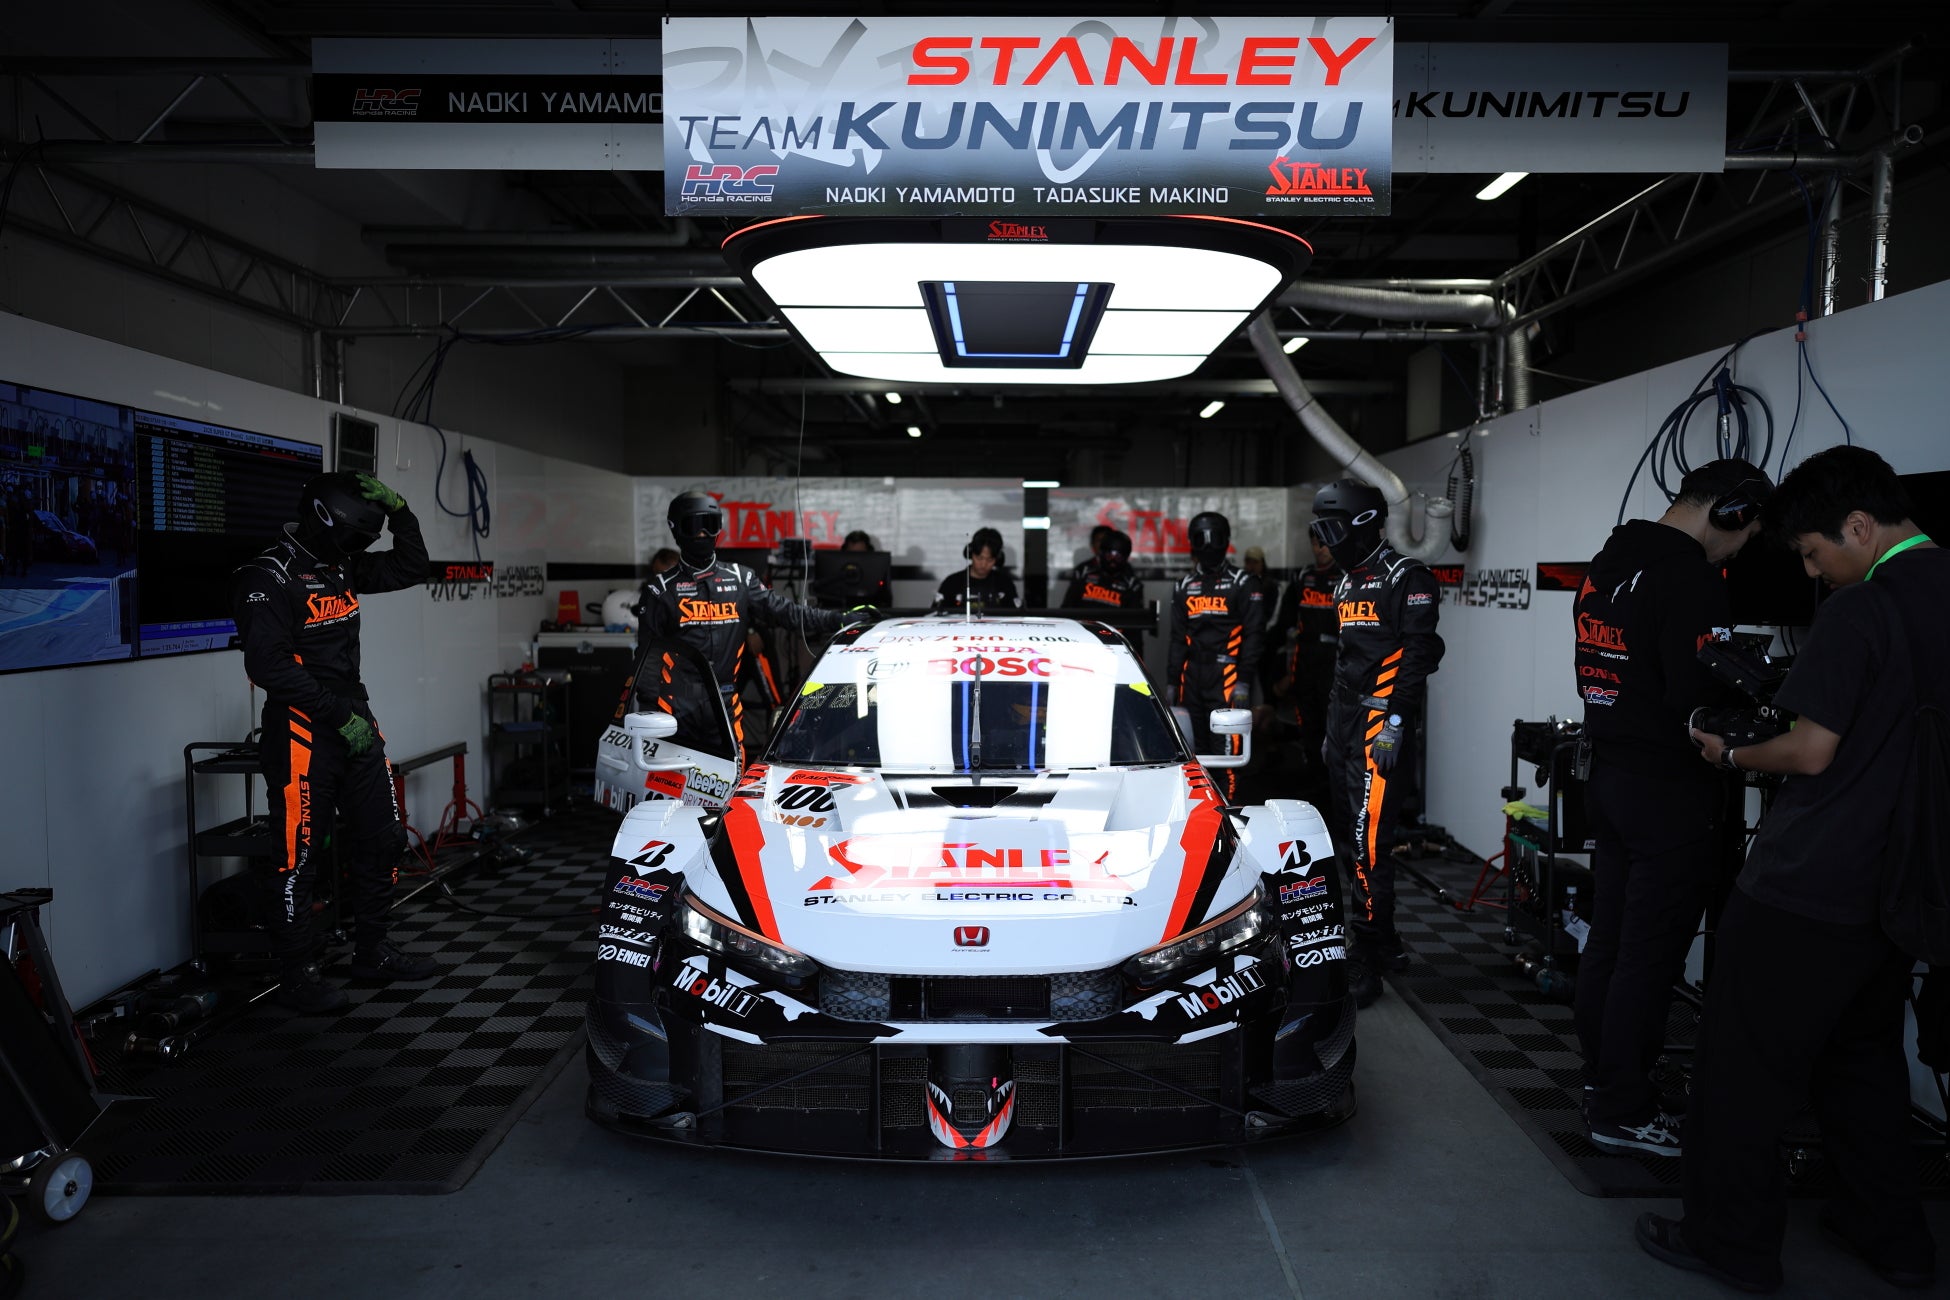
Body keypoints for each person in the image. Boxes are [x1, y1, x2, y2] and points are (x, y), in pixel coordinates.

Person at [1637, 446, 1943, 1295]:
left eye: (1812, 553)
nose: (1813, 573)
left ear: (1859, 525)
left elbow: (1809, 751)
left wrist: (1731, 752)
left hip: (1811, 881)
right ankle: (1893, 1237)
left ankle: (1730, 1244)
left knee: (1742, 1066)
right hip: (1904, 886)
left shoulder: (1862, 607)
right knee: (1863, 1058)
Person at [1571, 459, 1769, 1157]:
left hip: (1608, 775)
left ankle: (1604, 1082)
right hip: (1667, 789)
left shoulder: (1610, 559)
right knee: (1648, 954)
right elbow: (1700, 697)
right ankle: (1624, 1109)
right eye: (1747, 534)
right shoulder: (1689, 577)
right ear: (1732, 512)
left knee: (1611, 939)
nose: (1740, 549)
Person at [232, 471, 435, 1014]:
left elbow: (412, 566)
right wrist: (336, 715)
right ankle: (297, 973)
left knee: (383, 837)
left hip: (354, 718)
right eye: (351, 536)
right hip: (301, 728)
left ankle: (373, 950)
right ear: (321, 519)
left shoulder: (340, 564)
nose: (354, 549)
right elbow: (268, 665)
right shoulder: (265, 576)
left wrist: (401, 512)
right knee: (297, 855)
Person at [1311, 479, 1445, 1007]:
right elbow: (1344, 663)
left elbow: (1418, 659)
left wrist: (1395, 724)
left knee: (1369, 842)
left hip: (1379, 725)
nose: (1326, 541)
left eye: (1332, 529)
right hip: (1344, 722)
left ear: (1364, 523)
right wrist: (1330, 730)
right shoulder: (1346, 583)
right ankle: (1382, 936)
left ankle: (1366, 952)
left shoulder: (1408, 577)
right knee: (1350, 837)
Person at [638, 491, 853, 766]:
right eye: (694, 526)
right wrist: (647, 719)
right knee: (674, 781)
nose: (703, 534)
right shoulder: (660, 590)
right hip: (675, 709)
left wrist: (839, 619)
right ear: (676, 529)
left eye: (709, 525)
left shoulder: (741, 579)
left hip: (725, 705)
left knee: (727, 779)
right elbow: (646, 662)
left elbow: (789, 614)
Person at [1168, 511, 1264, 802]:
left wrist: (1244, 681)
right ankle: (1203, 811)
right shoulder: (1184, 586)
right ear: (1192, 543)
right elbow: (1177, 639)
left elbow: (1255, 635)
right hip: (1191, 679)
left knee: (1227, 755)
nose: (1209, 545)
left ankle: (1228, 812)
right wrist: (1171, 683)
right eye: (1202, 539)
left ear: (1226, 540)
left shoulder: (1243, 582)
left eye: (1215, 538)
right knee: (1193, 753)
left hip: (1227, 677)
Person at [1269, 533, 1344, 808]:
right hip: (1305, 662)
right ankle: (1314, 785)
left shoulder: (1345, 578)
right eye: (1315, 543)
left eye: (1325, 544)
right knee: (1308, 725)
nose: (1320, 549)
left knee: (1332, 727)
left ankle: (1335, 790)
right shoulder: (1303, 578)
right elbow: (1281, 625)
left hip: (1335, 663)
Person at [934, 526, 1019, 612]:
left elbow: (1017, 615)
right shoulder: (952, 583)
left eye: (990, 560)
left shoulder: (1005, 584)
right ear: (971, 554)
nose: (984, 564)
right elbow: (934, 614)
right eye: (979, 558)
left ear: (998, 559)